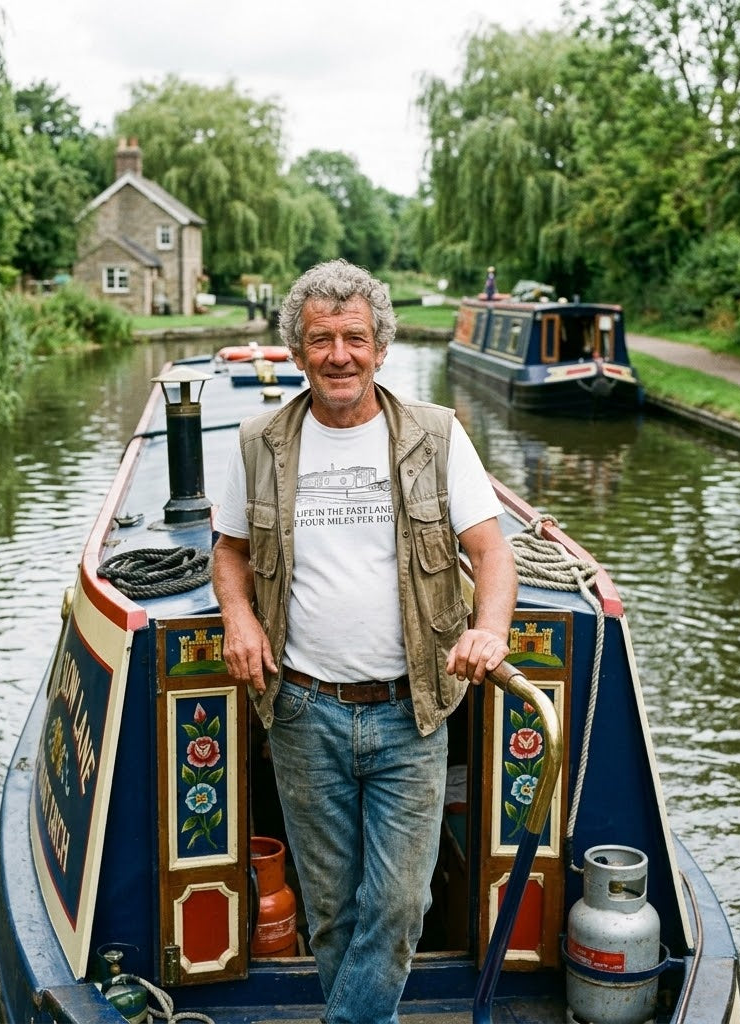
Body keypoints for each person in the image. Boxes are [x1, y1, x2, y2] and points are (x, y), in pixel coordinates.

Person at [212, 259, 518, 1024]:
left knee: (399, 901)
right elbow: (230, 552)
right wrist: (239, 619)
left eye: (354, 337)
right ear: (297, 350)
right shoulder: (259, 444)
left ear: (380, 346)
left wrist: (490, 629)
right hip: (302, 712)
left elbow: (492, 551)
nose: (339, 355)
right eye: (322, 339)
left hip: (409, 711)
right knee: (331, 910)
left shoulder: (436, 437)